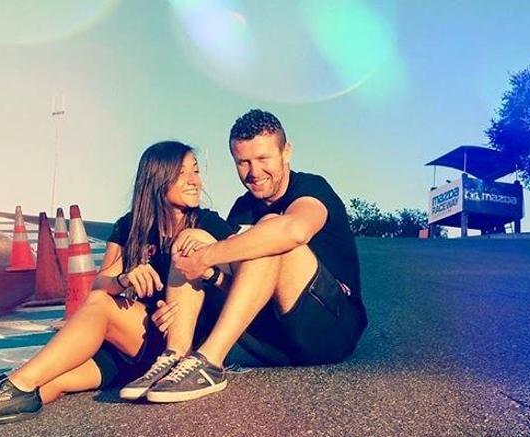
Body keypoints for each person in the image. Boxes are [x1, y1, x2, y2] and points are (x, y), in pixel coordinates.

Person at [0, 140, 236, 426]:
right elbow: (102, 282)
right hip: (127, 347)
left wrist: (202, 280)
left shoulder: (209, 223)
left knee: (94, 312)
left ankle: (9, 387)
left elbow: (233, 285)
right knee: (56, 379)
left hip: (171, 350)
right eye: (183, 173)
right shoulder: (130, 225)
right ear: (158, 180)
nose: (195, 180)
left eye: (196, 171)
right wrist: (125, 277)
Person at [140, 109, 368, 403]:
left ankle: (210, 362)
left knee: (268, 231)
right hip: (274, 340)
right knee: (191, 238)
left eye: (263, 159)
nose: (253, 172)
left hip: (329, 332)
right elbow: (239, 285)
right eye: (243, 162)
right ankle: (176, 356)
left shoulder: (312, 188)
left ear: (286, 152)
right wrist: (203, 277)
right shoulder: (242, 208)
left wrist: (208, 256)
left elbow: (295, 230)